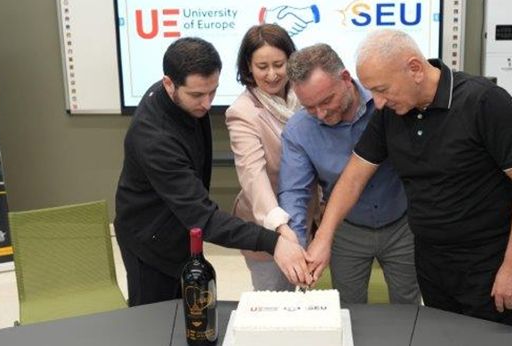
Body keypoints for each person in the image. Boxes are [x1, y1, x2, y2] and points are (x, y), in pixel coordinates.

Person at [306, 30, 512, 329]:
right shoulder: (390, 114)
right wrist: (324, 237)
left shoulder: (483, 101)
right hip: (432, 262)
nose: (378, 103)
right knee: (445, 337)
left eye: (382, 89)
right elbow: (354, 177)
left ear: (415, 69)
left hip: (489, 262)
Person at [114, 37, 310, 306]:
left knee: (190, 310)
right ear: (168, 84)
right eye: (197, 95)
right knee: (155, 320)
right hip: (150, 240)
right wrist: (273, 242)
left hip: (180, 229)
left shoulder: (186, 99)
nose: (207, 104)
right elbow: (202, 217)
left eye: (213, 91)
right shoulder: (154, 138)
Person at [278, 43, 419, 305]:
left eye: (326, 101)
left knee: (408, 304)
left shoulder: (387, 104)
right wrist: (295, 244)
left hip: (402, 223)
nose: (321, 113)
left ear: (345, 79)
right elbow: (294, 192)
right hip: (345, 229)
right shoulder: (299, 130)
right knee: (348, 307)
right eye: (310, 107)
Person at [225, 24, 318, 291]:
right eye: (262, 66)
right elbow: (253, 175)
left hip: (310, 217)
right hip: (268, 225)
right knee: (274, 300)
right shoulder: (242, 112)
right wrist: (279, 227)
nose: (272, 74)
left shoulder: (308, 97)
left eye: (279, 64)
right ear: (248, 67)